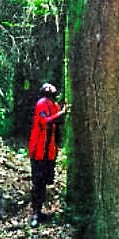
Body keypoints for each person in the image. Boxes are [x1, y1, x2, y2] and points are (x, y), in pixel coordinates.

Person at [28, 82, 68, 226]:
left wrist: (63, 112)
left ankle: (40, 212)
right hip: (38, 151)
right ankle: (35, 214)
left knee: (45, 182)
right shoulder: (42, 103)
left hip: (50, 151)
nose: (51, 88)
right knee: (38, 182)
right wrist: (62, 113)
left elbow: (59, 122)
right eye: (48, 87)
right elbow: (45, 121)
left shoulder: (55, 105)